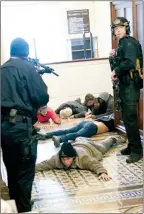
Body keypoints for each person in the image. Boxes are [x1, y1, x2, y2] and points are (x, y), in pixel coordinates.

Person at [1, 38, 49, 212]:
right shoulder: (28, 68)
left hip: (4, 127)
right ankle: (24, 209)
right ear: (26, 52)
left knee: (11, 168)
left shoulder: (3, 68)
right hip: (22, 127)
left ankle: (16, 205)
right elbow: (41, 97)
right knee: (24, 171)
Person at [110, 17, 143, 163]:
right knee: (127, 118)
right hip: (125, 85)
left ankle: (137, 151)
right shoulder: (123, 43)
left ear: (126, 28)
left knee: (130, 119)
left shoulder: (128, 42)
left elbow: (129, 62)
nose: (118, 31)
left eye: (120, 28)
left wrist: (116, 70)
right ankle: (131, 145)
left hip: (130, 86)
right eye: (116, 29)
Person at [35, 135, 125, 180]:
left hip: (89, 147)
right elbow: (44, 164)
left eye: (68, 159)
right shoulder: (56, 158)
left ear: (74, 157)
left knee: (103, 146)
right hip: (76, 145)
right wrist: (30, 170)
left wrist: (102, 172)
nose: (66, 161)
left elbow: (94, 163)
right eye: (64, 159)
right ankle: (80, 138)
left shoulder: (83, 158)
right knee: (80, 139)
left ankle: (113, 139)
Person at [41, 113, 116, 148]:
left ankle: (47, 135)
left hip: (87, 123)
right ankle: (60, 139)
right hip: (92, 127)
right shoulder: (116, 121)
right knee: (77, 134)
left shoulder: (108, 116)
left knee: (67, 131)